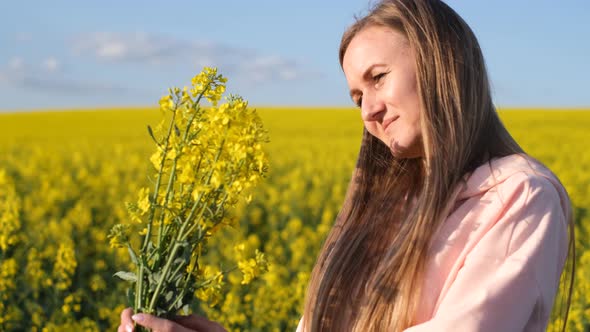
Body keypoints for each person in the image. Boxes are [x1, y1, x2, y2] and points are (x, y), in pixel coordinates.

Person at [119, 0, 576, 331]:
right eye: (357, 97)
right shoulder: (387, 209)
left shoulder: (518, 197)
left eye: (378, 78)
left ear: (444, 61)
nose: (368, 111)